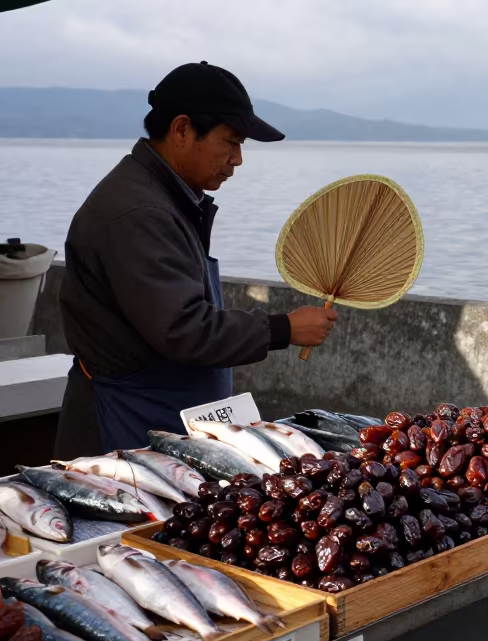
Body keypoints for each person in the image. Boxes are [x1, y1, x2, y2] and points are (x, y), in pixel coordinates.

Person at [53, 61, 337, 458]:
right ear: (183, 129)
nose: (237, 159)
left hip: (172, 415)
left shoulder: (171, 196)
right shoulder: (138, 212)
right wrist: (283, 328)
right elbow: (184, 329)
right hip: (126, 424)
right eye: (231, 141)